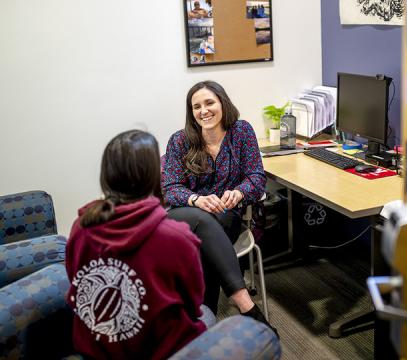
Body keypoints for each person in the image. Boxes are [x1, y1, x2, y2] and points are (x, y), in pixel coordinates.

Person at [65, 130, 208, 359]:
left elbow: (76, 280)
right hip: (160, 352)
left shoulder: (80, 226)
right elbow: (194, 303)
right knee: (208, 316)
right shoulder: (176, 237)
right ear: (153, 176)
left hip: (96, 350)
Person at [163, 80, 277, 335]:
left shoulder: (242, 132)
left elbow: (257, 178)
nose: (203, 111)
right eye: (196, 107)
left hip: (227, 215)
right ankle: (246, 307)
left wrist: (238, 193)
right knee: (204, 220)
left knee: (212, 234)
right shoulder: (180, 141)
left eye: (209, 103)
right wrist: (196, 200)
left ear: (222, 103)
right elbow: (170, 188)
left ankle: (205, 320)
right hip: (186, 216)